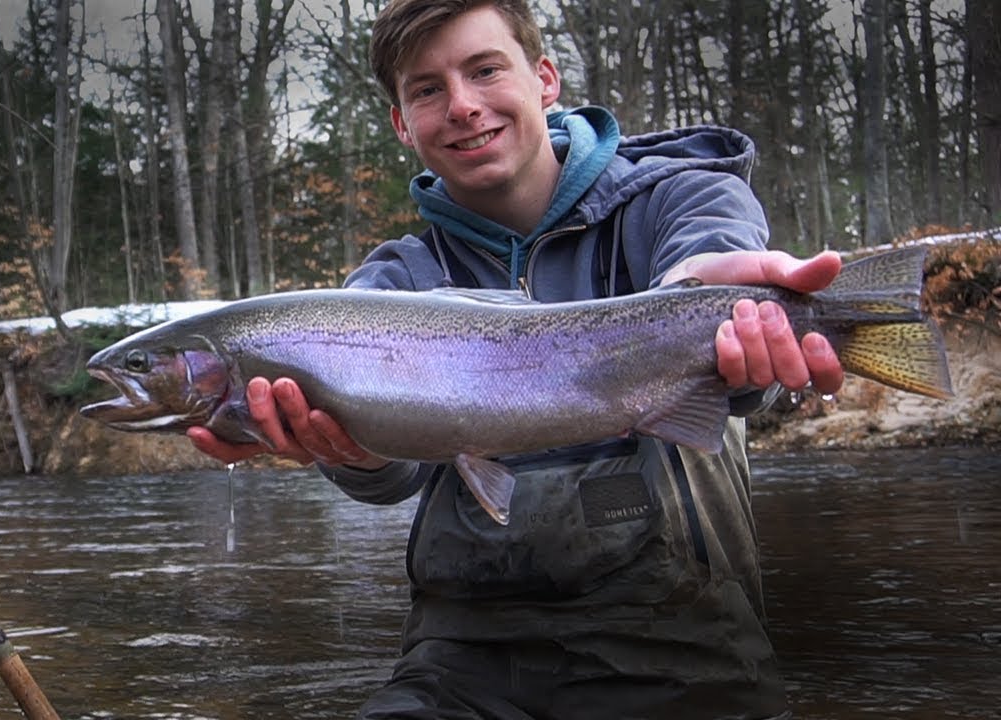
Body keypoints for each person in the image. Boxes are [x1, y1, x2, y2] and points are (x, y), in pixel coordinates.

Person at [190, 0, 844, 717]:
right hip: (462, 659)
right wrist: (352, 454)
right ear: (402, 124)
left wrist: (710, 300)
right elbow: (391, 480)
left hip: (687, 645)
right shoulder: (390, 286)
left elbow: (719, 304)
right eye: (428, 89)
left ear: (545, 78)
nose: (464, 106)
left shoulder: (681, 197)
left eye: (484, 70)